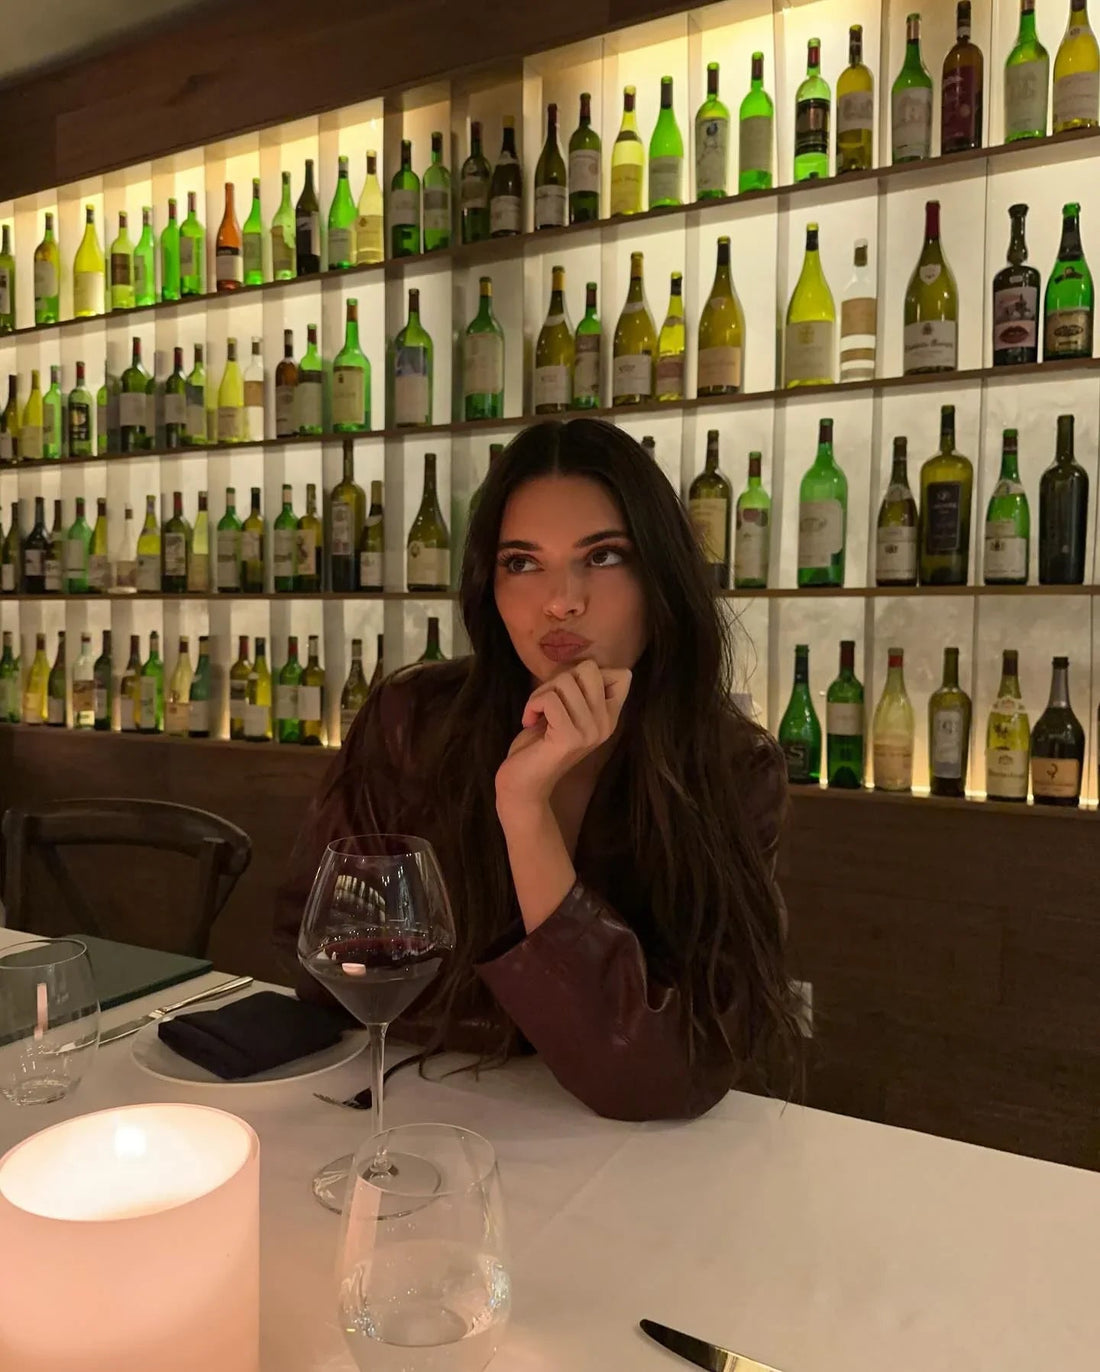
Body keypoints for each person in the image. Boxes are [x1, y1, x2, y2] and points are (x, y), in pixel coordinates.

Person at [275, 418, 803, 1121]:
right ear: (488, 587)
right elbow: (317, 951)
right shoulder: (414, 723)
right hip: (420, 1125)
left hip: (629, 1174)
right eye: (522, 562)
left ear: (661, 575)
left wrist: (525, 812)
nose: (560, 600)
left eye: (604, 556)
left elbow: (668, 1073)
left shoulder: (731, 768)